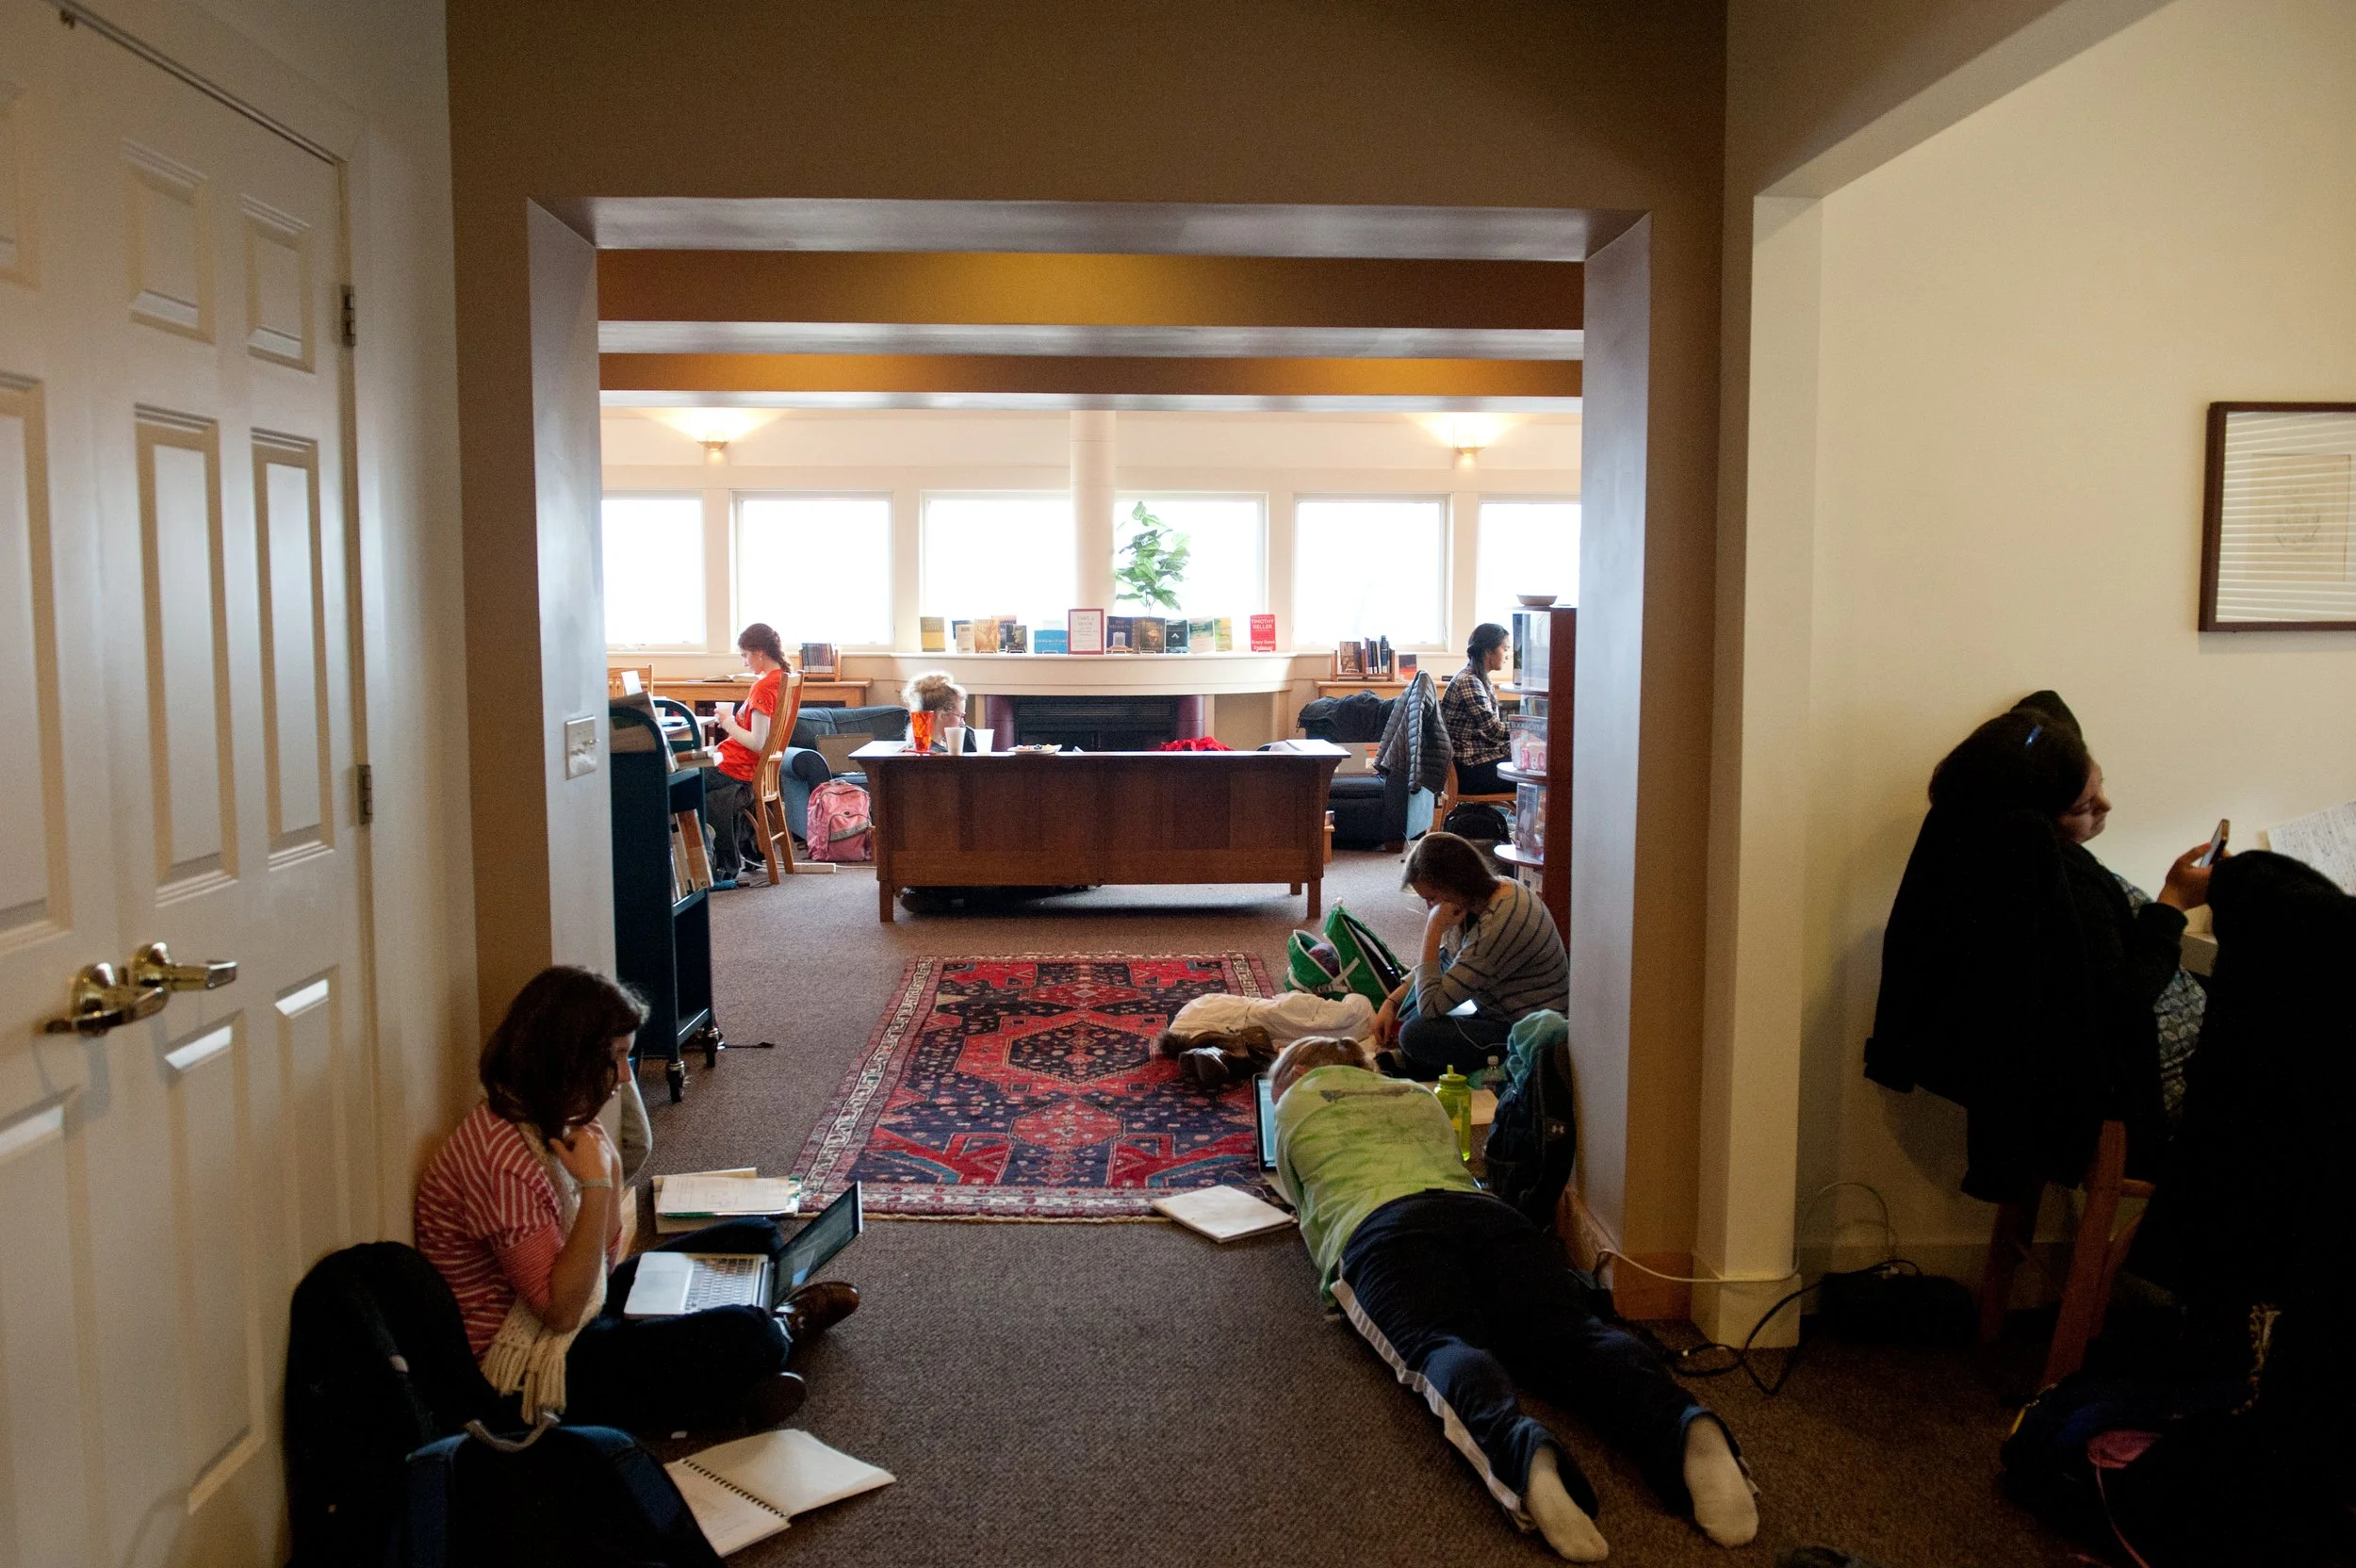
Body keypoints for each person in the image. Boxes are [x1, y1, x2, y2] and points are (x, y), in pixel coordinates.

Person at [1269, 1035, 1757, 1560]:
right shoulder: (1417, 1095)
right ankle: (1683, 1425)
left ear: (1297, 1071)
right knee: (1573, 1336)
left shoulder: (1295, 1103)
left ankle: (1524, 1460)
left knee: (1441, 1345)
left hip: (1382, 1231)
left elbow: (1305, 1206)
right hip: (1490, 1216)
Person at [414, 966, 859, 1433]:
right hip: (529, 1361)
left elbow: (600, 1266)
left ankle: (724, 1374)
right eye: (618, 1058)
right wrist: (597, 1187)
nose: (625, 1076)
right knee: (749, 1335)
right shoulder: (500, 1161)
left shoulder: (546, 1118)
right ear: (571, 1059)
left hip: (574, 1302)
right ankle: (779, 1330)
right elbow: (562, 1313)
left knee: (758, 1236)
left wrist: (602, 1176)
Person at [1865, 692, 2217, 1200]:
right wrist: (2173, 901)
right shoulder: (2049, 885)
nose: (2106, 807)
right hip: (2157, 1089)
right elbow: (2122, 998)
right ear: (2033, 818)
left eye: (2101, 786)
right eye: (2082, 807)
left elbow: (2042, 710)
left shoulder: (1978, 847)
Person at [1375, 831, 1567, 1080]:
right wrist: (1393, 1002)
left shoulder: (1497, 925)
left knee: (1415, 1033)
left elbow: (1431, 1008)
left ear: (1454, 884)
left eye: (1431, 899)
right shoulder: (1496, 891)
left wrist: (1432, 930)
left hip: (1528, 1031)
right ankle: (1425, 1065)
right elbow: (1447, 960)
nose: (1429, 908)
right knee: (1412, 1010)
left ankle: (1439, 1067)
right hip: (1499, 1010)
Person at [701, 622, 789, 887]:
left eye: (744, 655)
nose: (744, 662)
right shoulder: (782, 680)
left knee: (679, 780)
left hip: (735, 769)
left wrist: (727, 722)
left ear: (759, 651)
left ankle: (705, 863)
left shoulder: (763, 688)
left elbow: (758, 742)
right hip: (741, 767)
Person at [1440, 621, 1514, 797]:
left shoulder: (1477, 678)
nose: (1507, 655)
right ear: (1488, 652)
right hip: (1470, 771)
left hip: (1474, 764)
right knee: (1537, 774)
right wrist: (1527, 728)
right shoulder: (1469, 681)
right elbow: (1494, 730)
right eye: (1505, 649)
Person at [901, 669, 974, 753]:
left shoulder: (967, 737)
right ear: (942, 714)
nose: (963, 723)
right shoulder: (928, 756)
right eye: (960, 716)